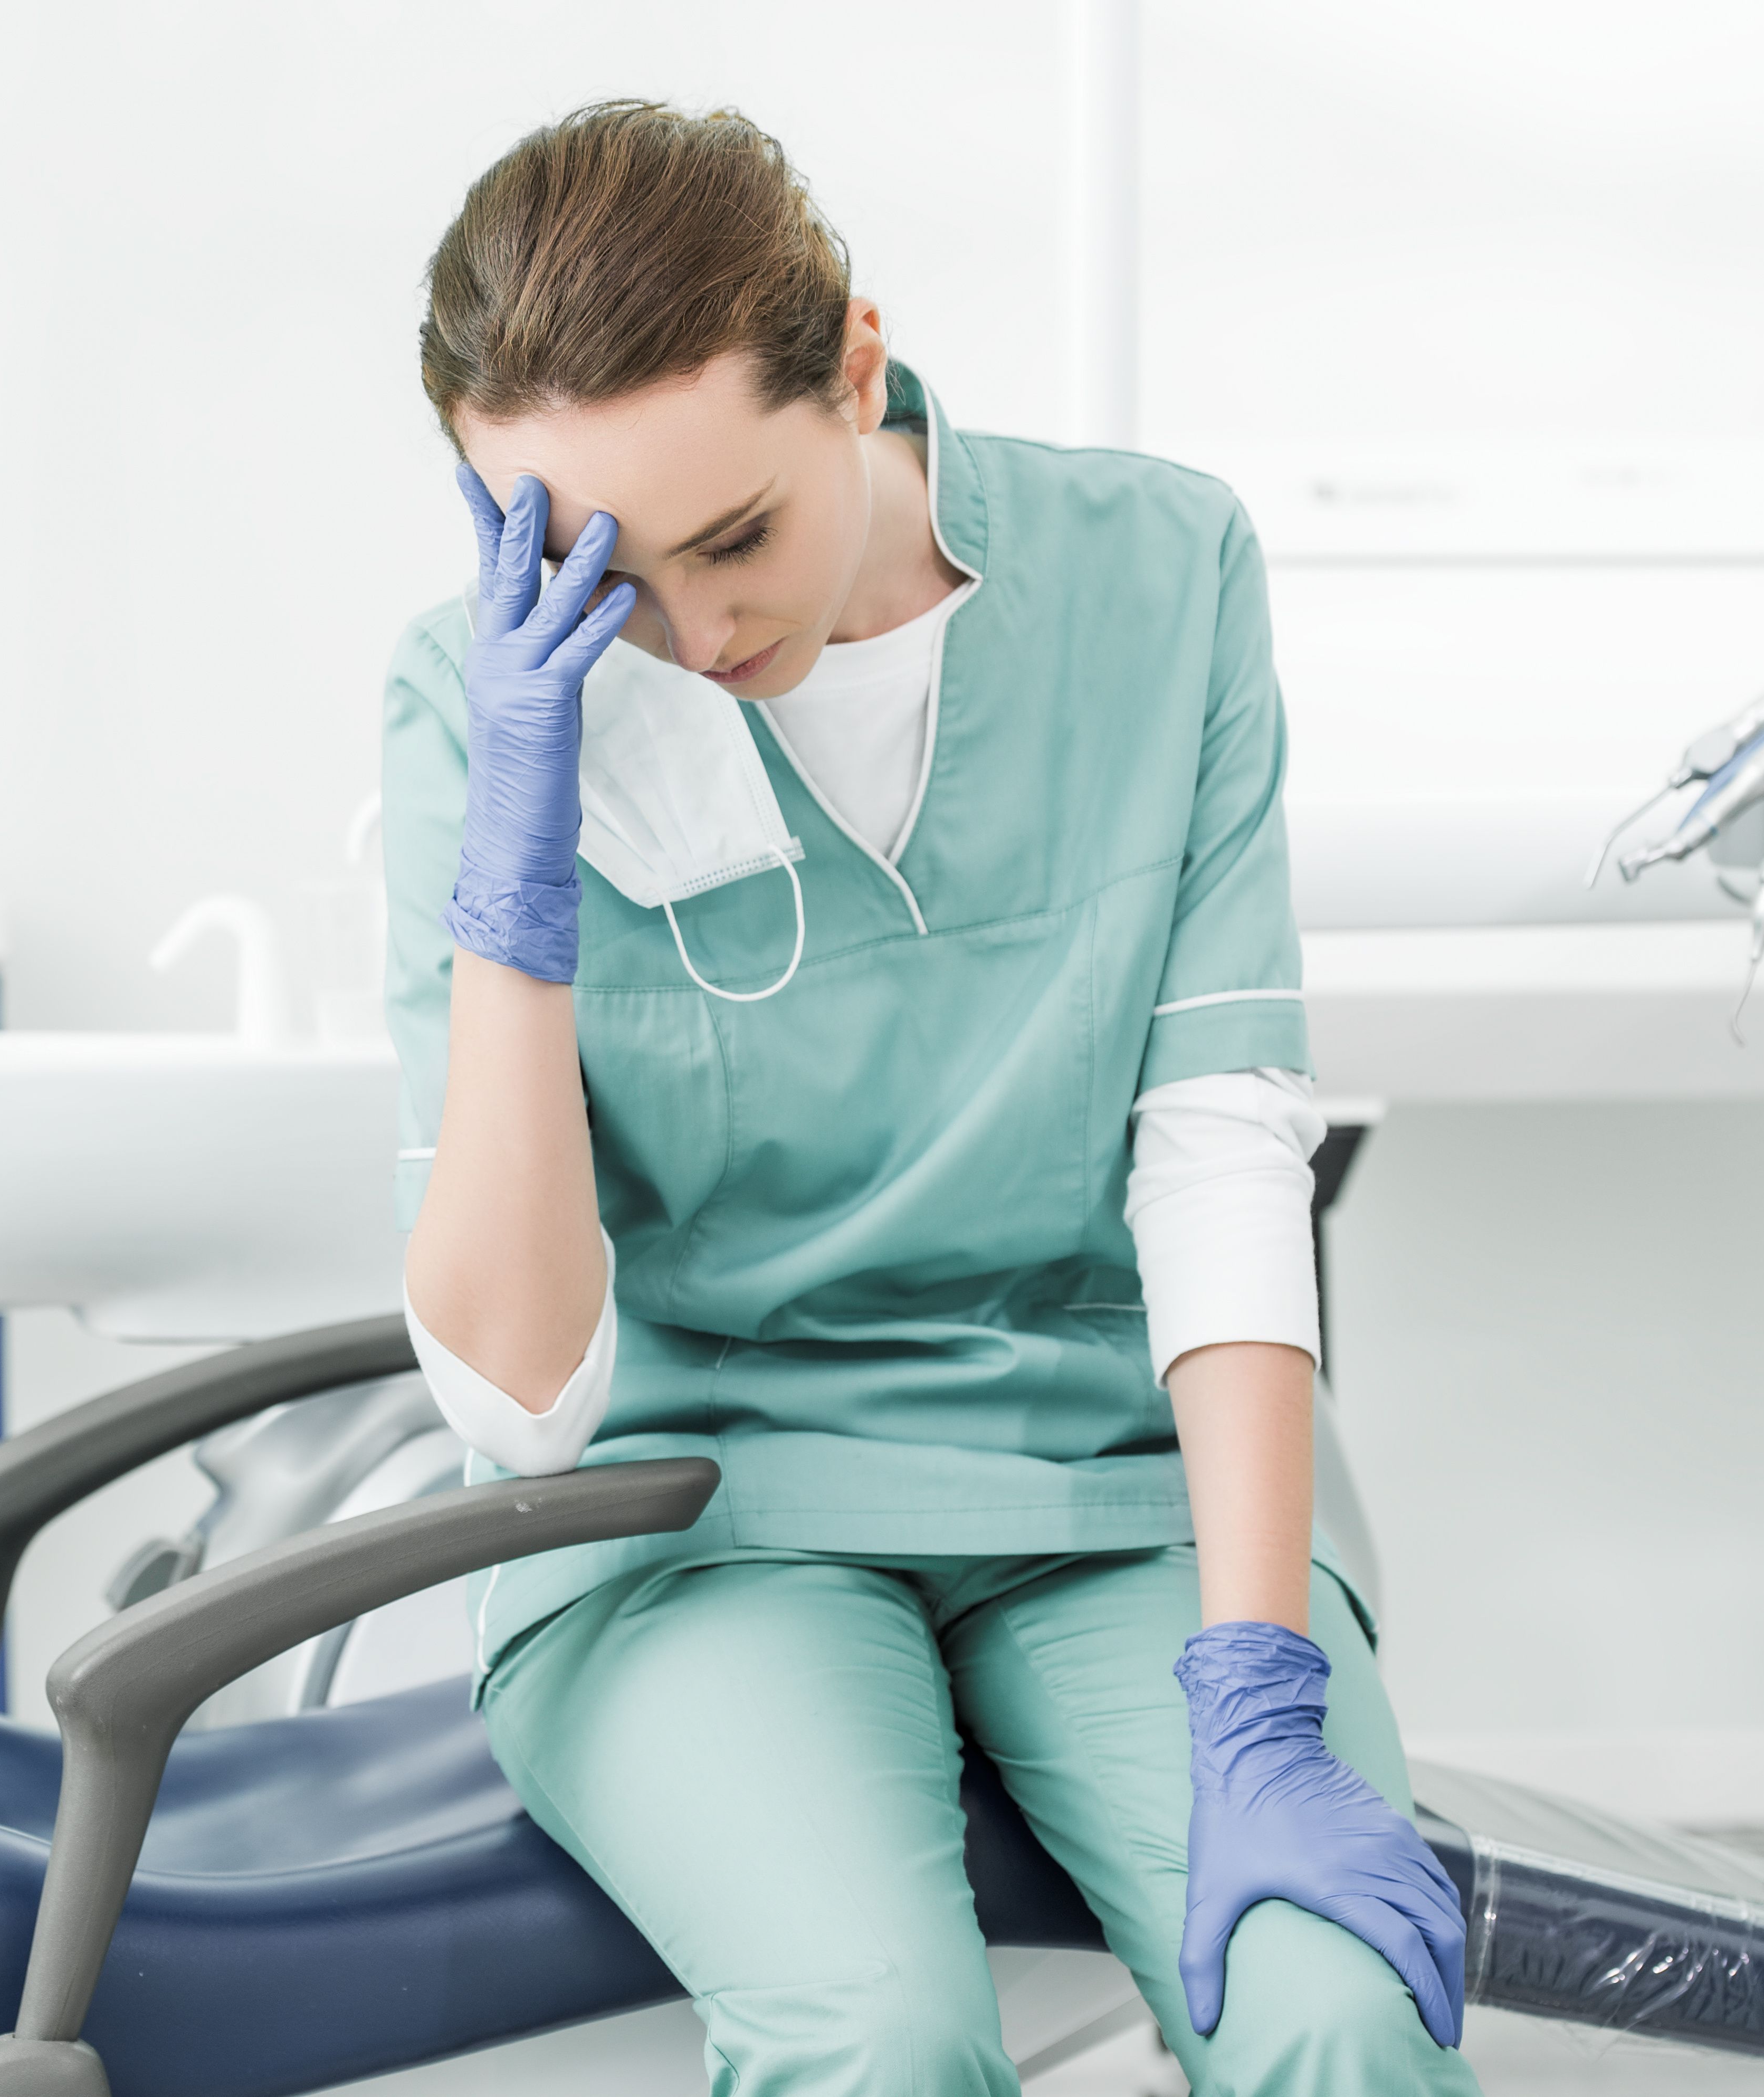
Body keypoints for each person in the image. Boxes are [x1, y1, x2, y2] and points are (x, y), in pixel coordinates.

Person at [383, 100, 1477, 2096]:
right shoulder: (486, 708)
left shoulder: (1159, 574)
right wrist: (513, 895)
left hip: (1111, 1484)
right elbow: (519, 1404)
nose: (698, 639)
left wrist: (1257, 1690)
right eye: (606, 573)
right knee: (878, 2039)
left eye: (737, 538)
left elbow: (1219, 1158)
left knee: (1338, 2011)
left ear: (858, 371)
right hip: (696, 1515)